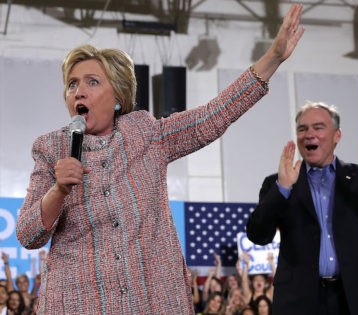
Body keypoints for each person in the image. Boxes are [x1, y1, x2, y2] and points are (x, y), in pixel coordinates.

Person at [15, 4, 304, 314]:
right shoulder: (51, 149)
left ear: (118, 99)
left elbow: (213, 115)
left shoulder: (148, 136)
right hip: (79, 303)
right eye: (72, 84)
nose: (78, 92)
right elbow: (29, 234)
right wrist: (57, 191)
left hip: (153, 301)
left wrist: (273, 57)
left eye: (92, 82)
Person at [246, 101, 358, 315]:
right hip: (301, 300)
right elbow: (258, 235)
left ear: (336, 136)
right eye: (302, 129)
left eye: (318, 127)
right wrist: (283, 188)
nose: (309, 134)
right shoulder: (278, 183)